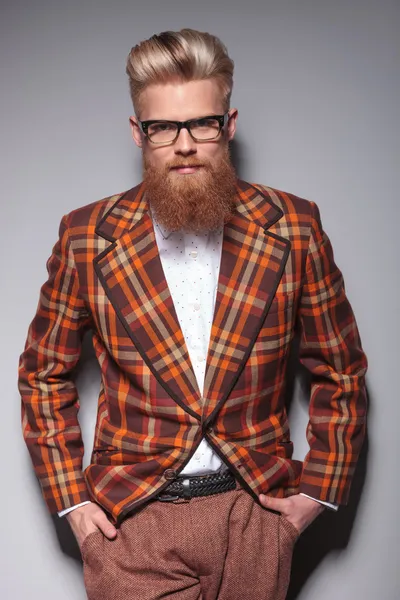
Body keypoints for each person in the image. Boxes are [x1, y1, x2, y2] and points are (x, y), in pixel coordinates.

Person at [18, 28, 368, 600]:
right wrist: (74, 504)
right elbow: (42, 373)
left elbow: (342, 369)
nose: (184, 145)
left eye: (202, 124)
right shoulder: (87, 235)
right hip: (131, 521)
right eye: (163, 128)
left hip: (254, 514)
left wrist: (316, 493)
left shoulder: (294, 226)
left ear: (228, 124)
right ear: (139, 133)